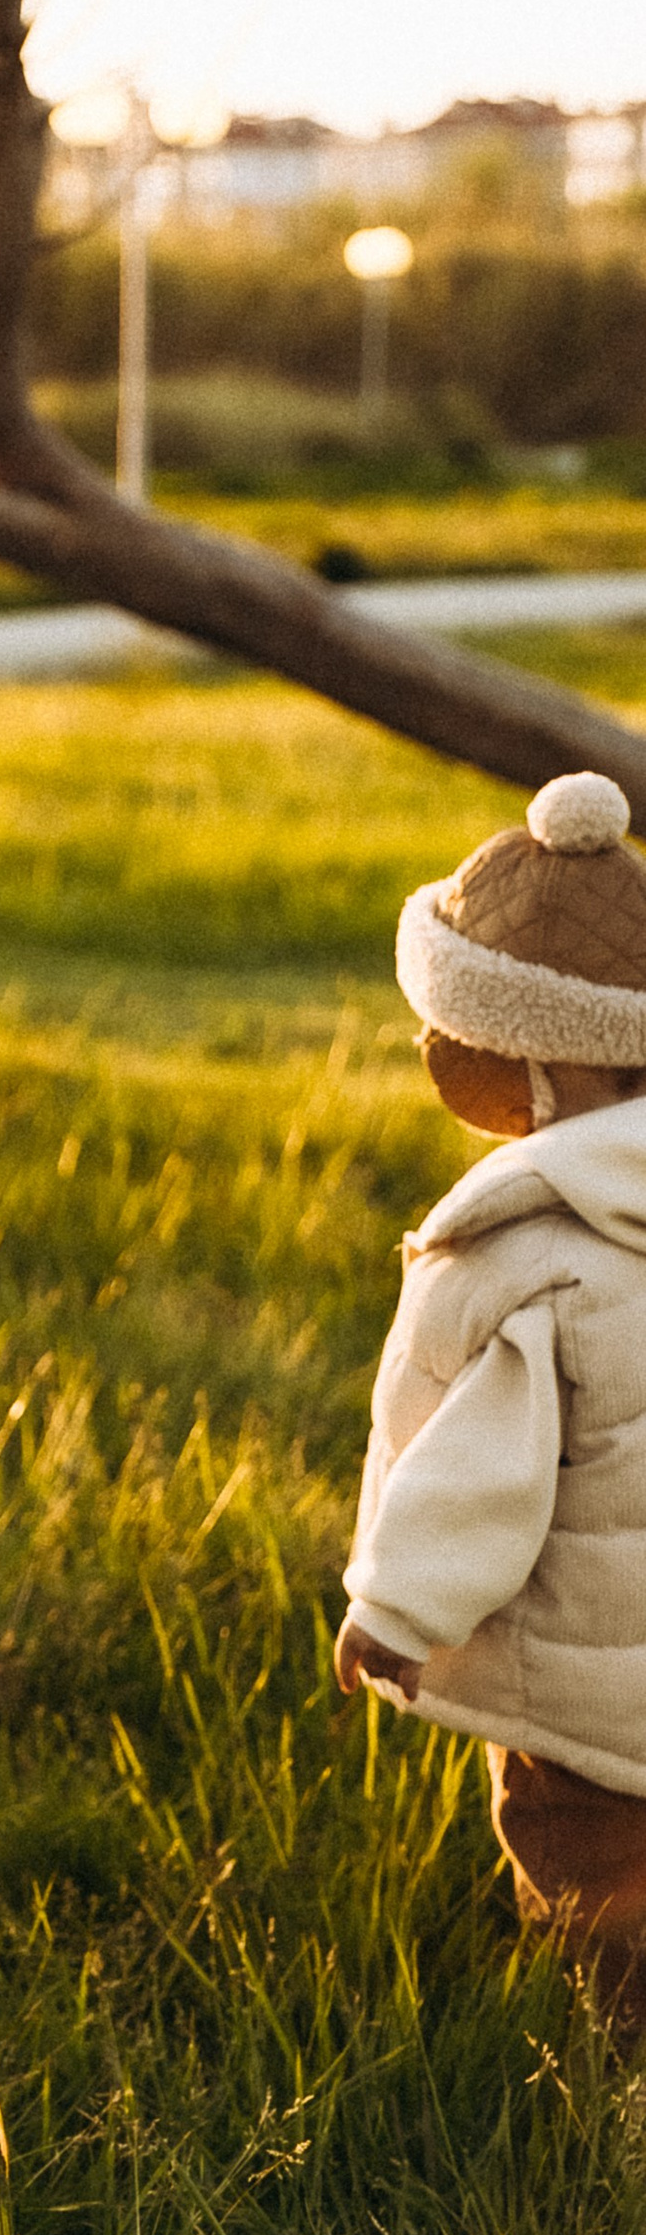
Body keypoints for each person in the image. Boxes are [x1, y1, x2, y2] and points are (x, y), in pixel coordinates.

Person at [338, 768, 646, 2036]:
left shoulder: (531, 1262)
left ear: (533, 1065)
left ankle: (610, 2041)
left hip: (594, 1690)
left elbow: (484, 1469)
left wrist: (394, 1610)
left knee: (585, 1859)